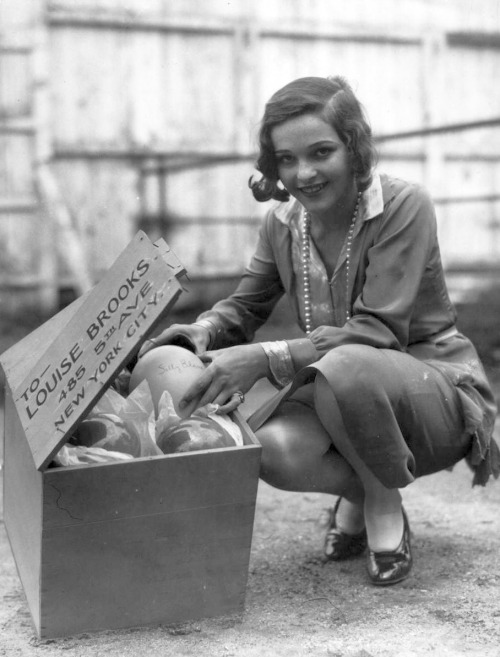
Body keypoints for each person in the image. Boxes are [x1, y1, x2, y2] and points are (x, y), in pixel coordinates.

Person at [140, 76, 499, 586]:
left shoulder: (403, 206)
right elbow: (245, 304)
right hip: (337, 384)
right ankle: (365, 491)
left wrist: (264, 357)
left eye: (321, 152)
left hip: (431, 392)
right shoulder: (283, 223)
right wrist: (200, 332)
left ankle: (380, 502)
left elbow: (377, 328)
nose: (303, 173)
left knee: (345, 366)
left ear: (355, 148)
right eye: (286, 159)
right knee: (275, 448)